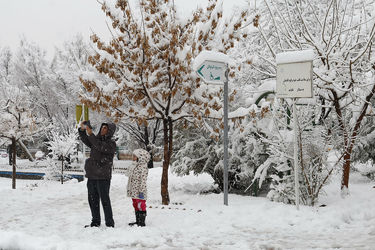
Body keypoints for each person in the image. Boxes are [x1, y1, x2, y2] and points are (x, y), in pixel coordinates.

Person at [78, 121, 117, 228]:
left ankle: (109, 223)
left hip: (103, 176)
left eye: (106, 128)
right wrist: (82, 130)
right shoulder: (96, 140)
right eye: (102, 127)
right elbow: (86, 140)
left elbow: (99, 146)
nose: (103, 129)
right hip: (92, 175)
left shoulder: (111, 144)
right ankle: (95, 222)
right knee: (92, 200)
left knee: (105, 200)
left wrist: (91, 134)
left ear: (110, 131)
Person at [126, 148, 150, 227]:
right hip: (133, 189)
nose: (133, 157)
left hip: (140, 190)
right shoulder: (134, 165)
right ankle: (138, 220)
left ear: (140, 157)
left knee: (140, 205)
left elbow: (143, 180)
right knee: (135, 204)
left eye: (135, 156)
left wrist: (141, 191)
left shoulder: (143, 167)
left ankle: (142, 222)